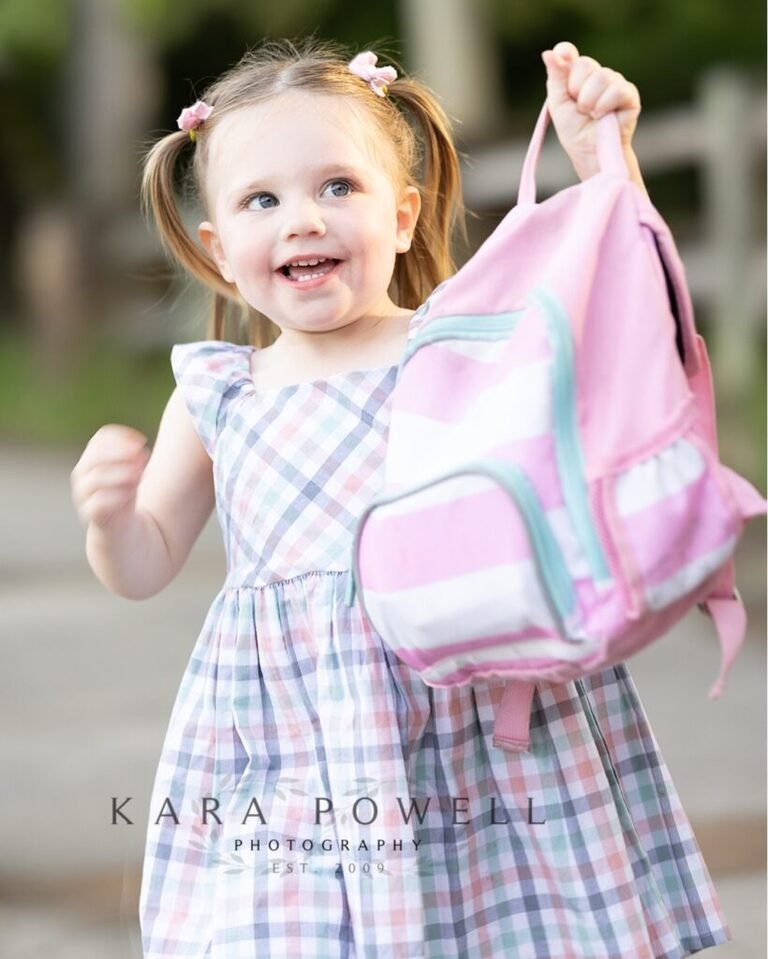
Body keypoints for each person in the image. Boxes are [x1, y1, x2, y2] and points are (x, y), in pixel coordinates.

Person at [70, 37, 731, 959]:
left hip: (481, 719)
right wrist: (110, 519)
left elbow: (627, 322)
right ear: (220, 249)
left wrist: (602, 162)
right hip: (292, 752)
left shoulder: (458, 339)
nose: (303, 219)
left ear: (406, 213)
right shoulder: (221, 390)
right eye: (263, 200)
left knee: (500, 927)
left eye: (338, 186)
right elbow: (144, 562)